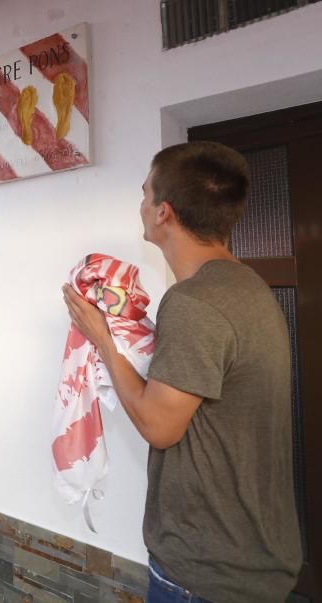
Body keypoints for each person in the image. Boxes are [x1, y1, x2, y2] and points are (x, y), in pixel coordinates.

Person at [63, 141, 302, 602]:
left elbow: (159, 426)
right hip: (255, 557)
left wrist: (103, 340)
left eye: (145, 193)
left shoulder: (194, 303)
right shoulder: (245, 286)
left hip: (206, 571)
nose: (141, 204)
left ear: (163, 213)